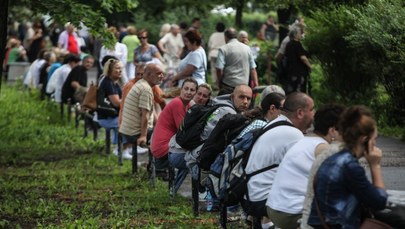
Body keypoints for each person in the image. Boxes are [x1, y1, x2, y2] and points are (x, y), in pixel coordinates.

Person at [266, 104, 346, 229]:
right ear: (333, 131)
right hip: (290, 212)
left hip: (275, 208)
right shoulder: (323, 149)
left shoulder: (306, 141)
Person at [307, 105, 388, 228]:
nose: (375, 143)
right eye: (374, 138)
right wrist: (375, 165)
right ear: (364, 140)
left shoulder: (332, 159)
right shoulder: (349, 166)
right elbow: (379, 202)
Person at [243, 92, 315, 222]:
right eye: (311, 110)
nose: (314, 114)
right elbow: (310, 173)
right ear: (299, 113)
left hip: (252, 193)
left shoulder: (277, 123)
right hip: (262, 199)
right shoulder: (293, 134)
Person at [151, 77, 198, 189]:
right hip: (163, 147)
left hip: (170, 143)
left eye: (192, 90)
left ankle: (174, 190)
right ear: (181, 90)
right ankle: (178, 190)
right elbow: (184, 131)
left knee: (191, 157)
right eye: (186, 88)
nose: (188, 92)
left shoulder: (189, 104)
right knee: (194, 158)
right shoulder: (177, 103)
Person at [119, 64, 164, 159]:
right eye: (158, 74)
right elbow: (145, 116)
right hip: (134, 133)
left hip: (128, 130)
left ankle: (155, 167)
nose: (162, 76)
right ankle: (160, 170)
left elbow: (162, 100)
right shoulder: (146, 90)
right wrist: (143, 136)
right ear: (148, 75)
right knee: (167, 138)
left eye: (162, 73)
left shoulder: (142, 84)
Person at [216, 28, 258, 95]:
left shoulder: (223, 49)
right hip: (244, 86)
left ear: (225, 37)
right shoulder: (247, 48)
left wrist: (219, 82)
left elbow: (219, 68)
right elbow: (253, 69)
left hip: (228, 85)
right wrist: (256, 84)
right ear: (236, 36)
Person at [97, 59, 123, 147]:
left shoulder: (112, 81)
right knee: (132, 123)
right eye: (117, 68)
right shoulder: (108, 83)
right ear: (110, 70)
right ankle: (123, 149)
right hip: (107, 118)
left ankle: (120, 147)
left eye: (121, 68)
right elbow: (117, 103)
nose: (120, 71)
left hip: (108, 115)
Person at [284, 27, 311, 94]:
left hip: (290, 71)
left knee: (291, 91)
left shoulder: (288, 44)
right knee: (299, 92)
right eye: (299, 33)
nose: (300, 35)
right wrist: (309, 66)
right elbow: (303, 57)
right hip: (299, 72)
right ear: (295, 35)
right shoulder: (297, 44)